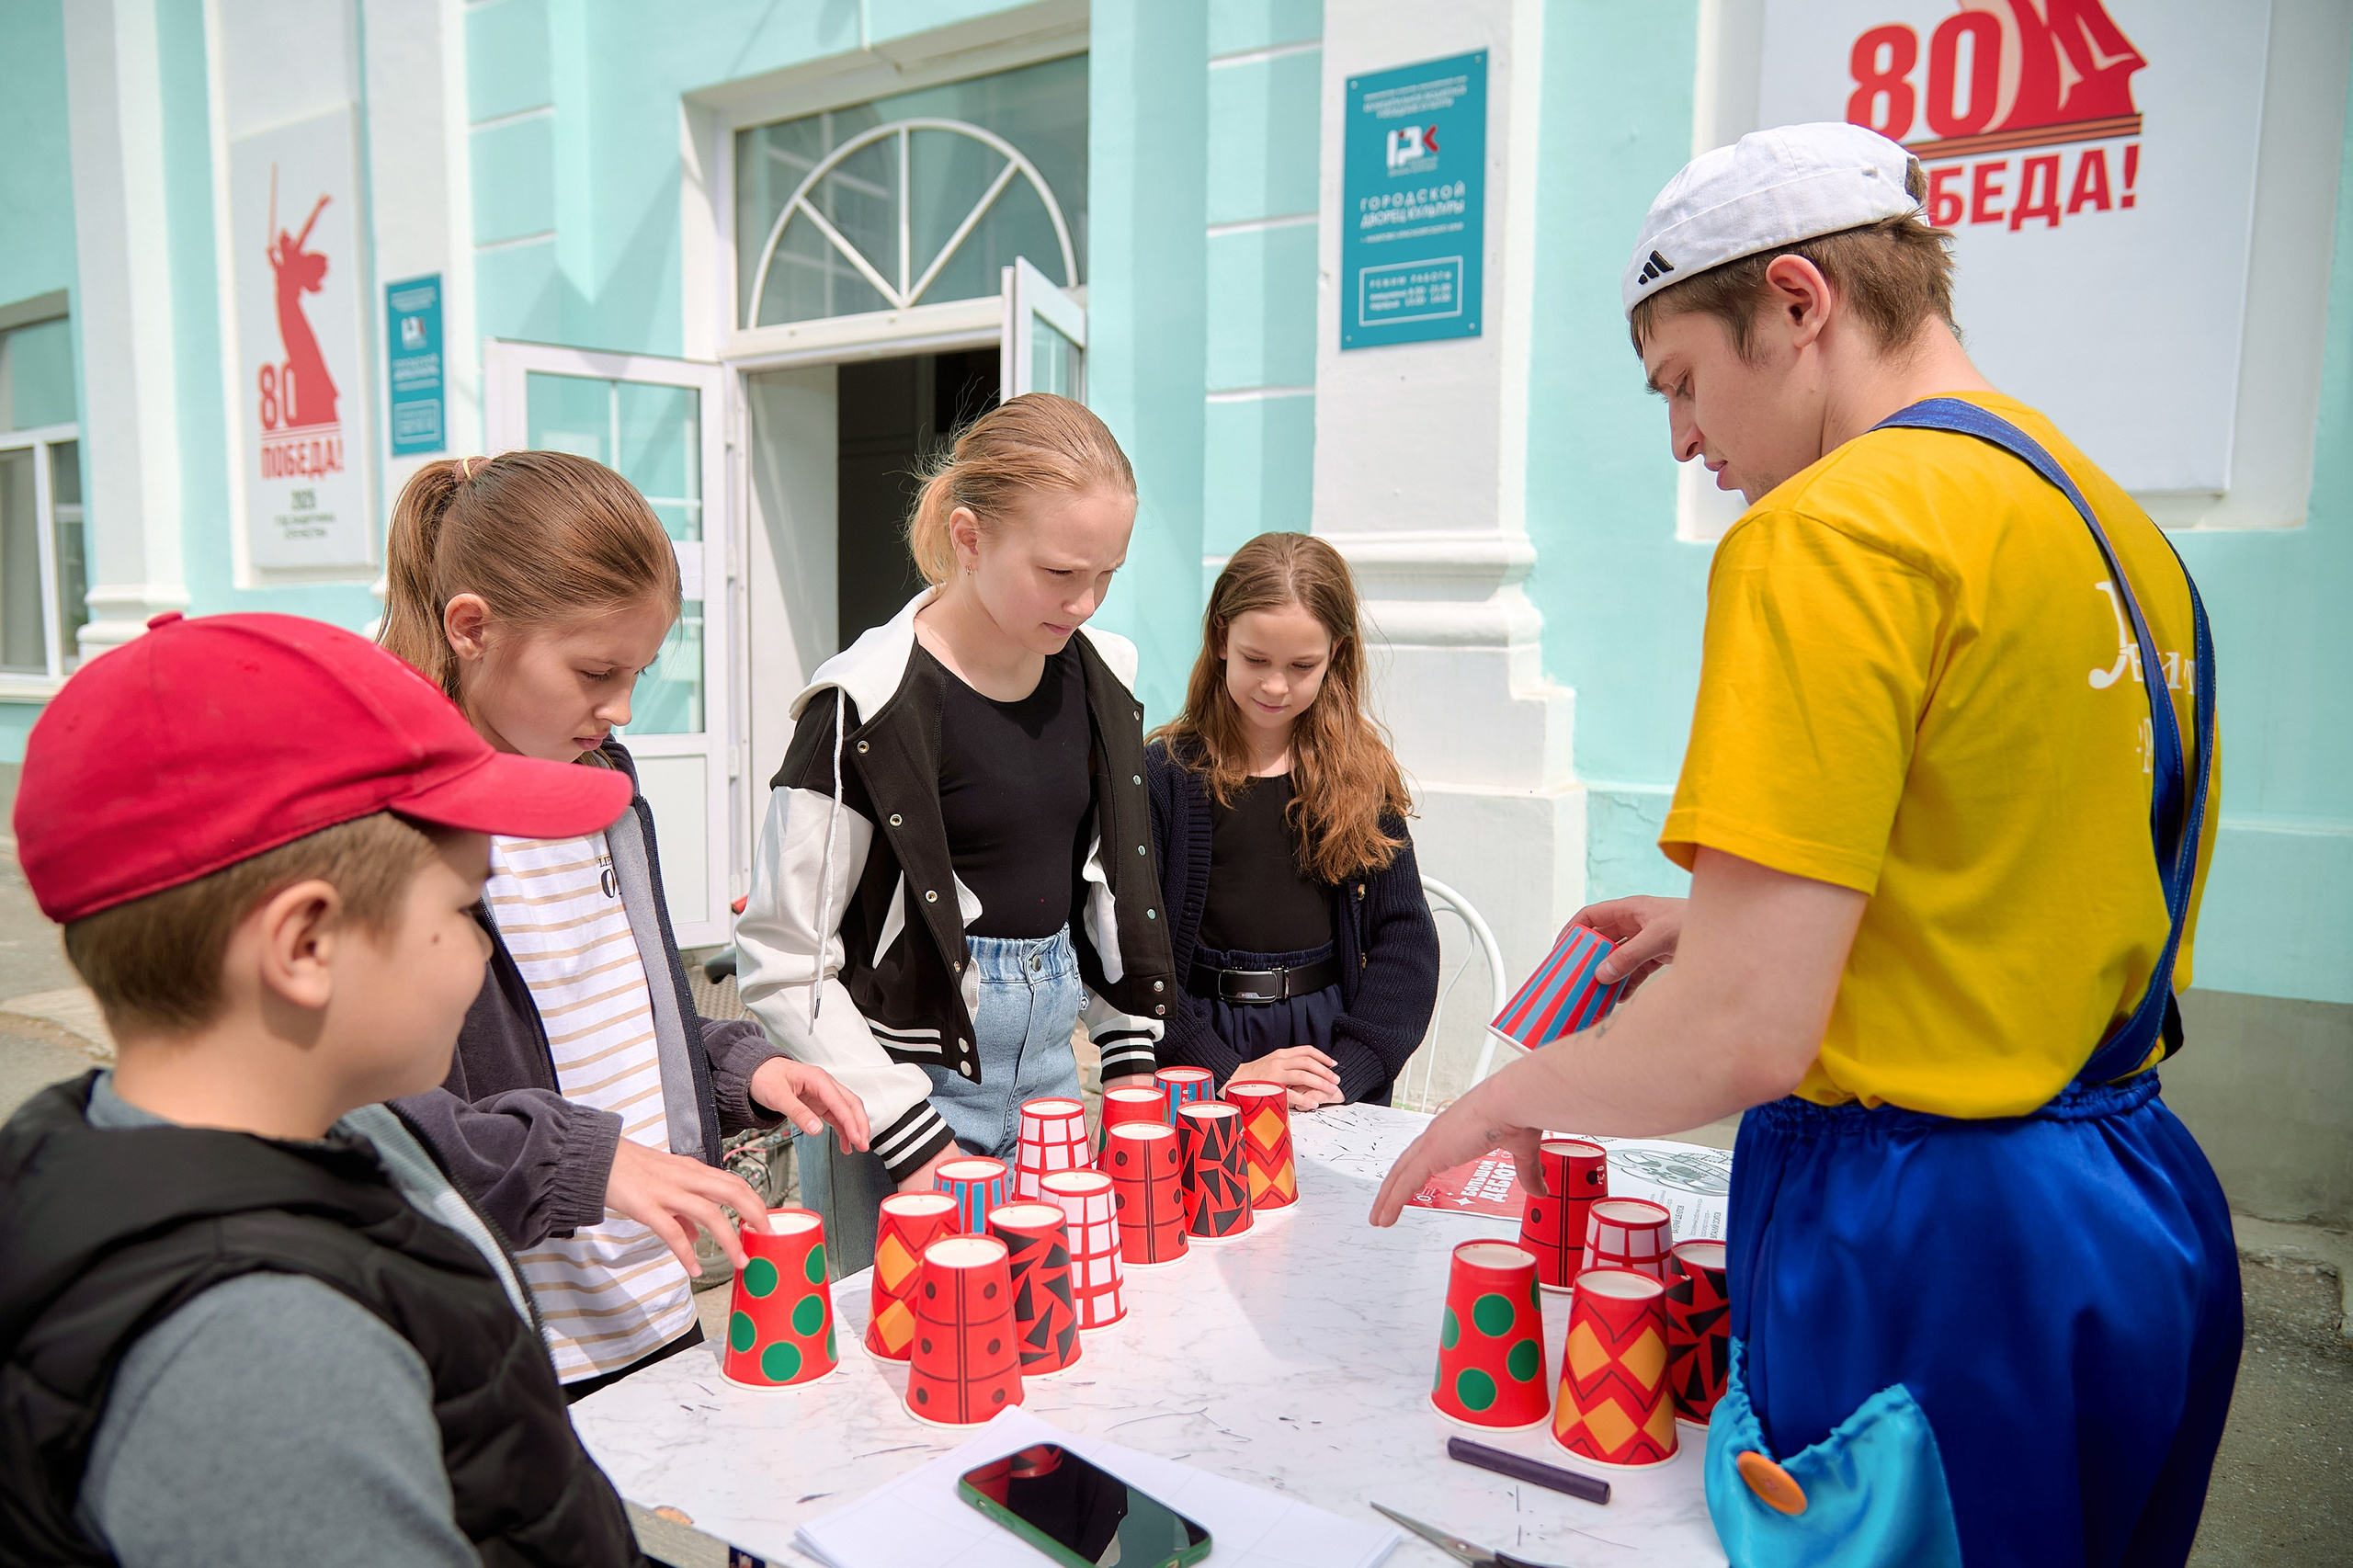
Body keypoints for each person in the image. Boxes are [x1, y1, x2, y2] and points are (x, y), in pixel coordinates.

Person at [1370, 123, 2236, 1567]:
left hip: (1940, 1253)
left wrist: (1505, 1093)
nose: (1686, 441)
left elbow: (1744, 1038)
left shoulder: (1830, 532)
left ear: (1796, 300)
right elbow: (2015, 866)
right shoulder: (2108, 525)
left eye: (1686, 382)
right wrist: (1717, 917)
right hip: (2139, 1219)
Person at [0, 612, 649, 1567]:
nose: (483, 947)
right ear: (305, 945)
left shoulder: (352, 1129)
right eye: (471, 909)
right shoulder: (257, 1354)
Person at [377, 452, 869, 1396]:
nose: (622, 709)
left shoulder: (606, 778)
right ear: (472, 627)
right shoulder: (393, 826)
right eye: (595, 670)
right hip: (507, 1332)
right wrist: (580, 1158)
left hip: (649, 1296)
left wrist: (740, 1065)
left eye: (640, 671)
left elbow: (623, 1006)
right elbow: (380, 1116)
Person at [734, 393, 1176, 1274]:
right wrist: (909, 1135)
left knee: (1046, 1350)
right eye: (1059, 574)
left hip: (1057, 1080)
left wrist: (1128, 1055)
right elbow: (785, 957)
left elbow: (1105, 888)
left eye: (1108, 575)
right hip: (897, 1098)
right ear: (968, 536)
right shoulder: (861, 704)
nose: (1085, 603)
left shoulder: (1105, 677)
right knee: (904, 1380)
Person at [1145, 532, 1439, 1109]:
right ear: (1220, 638)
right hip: (1201, 1059)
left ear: (1337, 655)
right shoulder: (1163, 775)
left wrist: (1348, 1073)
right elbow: (1133, 955)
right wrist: (1225, 1072)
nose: (1275, 685)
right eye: (1256, 659)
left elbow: (1404, 943)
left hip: (1325, 1058)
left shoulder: (1361, 775)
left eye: (1302, 665)